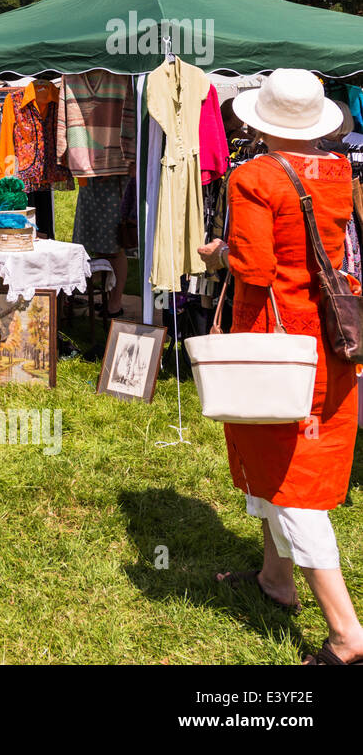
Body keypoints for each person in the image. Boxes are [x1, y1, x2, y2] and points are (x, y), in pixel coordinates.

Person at [198, 70, 362, 665]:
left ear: (258, 120)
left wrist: (219, 252)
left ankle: (347, 634)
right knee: (282, 458)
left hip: (276, 340)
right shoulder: (341, 172)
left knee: (295, 481)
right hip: (329, 339)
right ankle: (276, 578)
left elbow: (257, 267)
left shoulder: (254, 176)